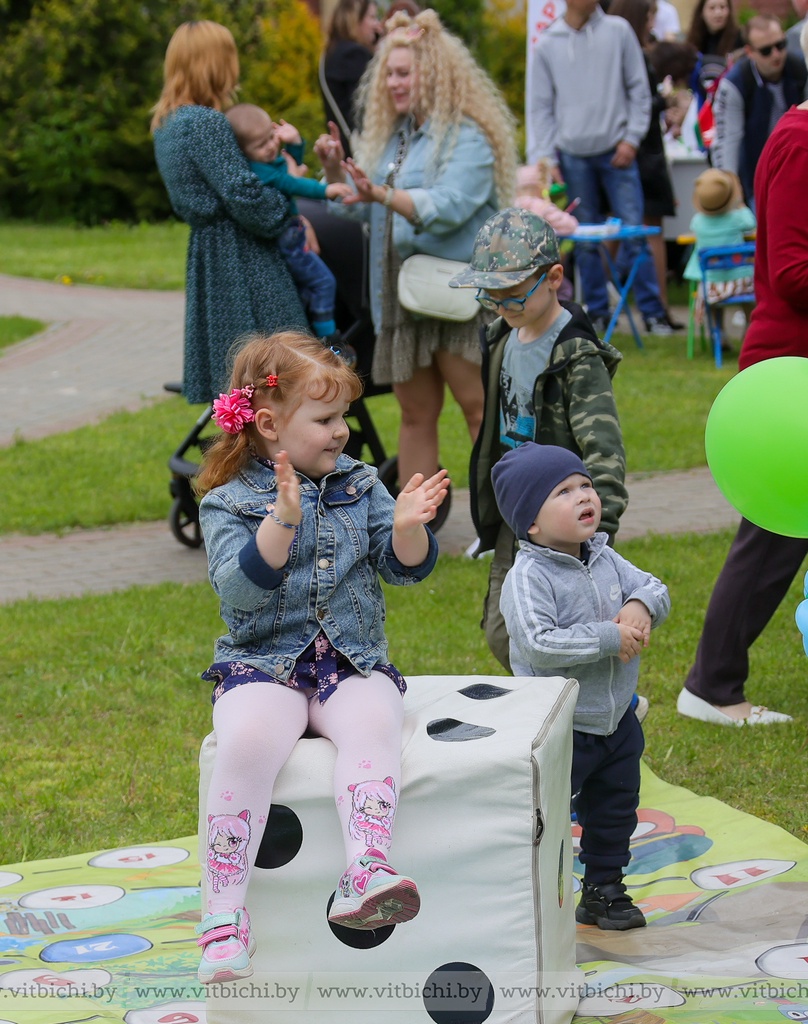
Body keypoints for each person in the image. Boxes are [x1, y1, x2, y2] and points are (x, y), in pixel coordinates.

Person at [193, 331, 448, 984]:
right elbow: (239, 591)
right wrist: (279, 520)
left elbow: (404, 570)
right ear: (272, 425)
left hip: (350, 663)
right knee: (246, 743)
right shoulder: (228, 502)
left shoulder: (361, 485)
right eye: (327, 418)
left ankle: (366, 870)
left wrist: (409, 528)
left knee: (374, 727)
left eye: (342, 418)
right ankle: (224, 916)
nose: (342, 432)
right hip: (263, 663)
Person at [315, 8, 518, 489]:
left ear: (434, 74)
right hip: (401, 294)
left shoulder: (469, 137)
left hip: (456, 291)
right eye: (387, 73)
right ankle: (413, 534)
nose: (392, 83)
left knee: (480, 410)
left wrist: (380, 193)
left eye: (403, 72)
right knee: (414, 414)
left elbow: (447, 206)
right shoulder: (396, 139)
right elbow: (362, 208)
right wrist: (333, 174)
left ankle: (509, 526)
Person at [677, 24, 808, 727]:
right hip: (791, 372)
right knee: (773, 539)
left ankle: (713, 682)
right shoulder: (798, 141)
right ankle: (711, 687)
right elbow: (789, 271)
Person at [491, 442, 669, 930]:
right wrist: (609, 637)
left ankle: (603, 889)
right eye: (563, 492)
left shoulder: (606, 558)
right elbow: (540, 643)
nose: (583, 496)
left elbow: (654, 586)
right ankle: (524, 893)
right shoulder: (528, 577)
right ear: (531, 522)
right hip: (560, 725)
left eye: (585, 485)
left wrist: (640, 604)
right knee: (542, 813)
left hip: (616, 720)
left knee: (615, 809)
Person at [449, 208, 627, 671]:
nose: (502, 308)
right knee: (503, 626)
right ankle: (576, 701)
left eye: (513, 297)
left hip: (563, 515)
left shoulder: (575, 355)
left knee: (547, 627)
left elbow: (603, 448)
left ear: (553, 278)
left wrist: (598, 526)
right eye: (492, 298)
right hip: (521, 511)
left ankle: (587, 708)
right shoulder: (502, 338)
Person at [151, 21, 309, 405]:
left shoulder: (167, 124)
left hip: (209, 255)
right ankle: (283, 464)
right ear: (215, 64)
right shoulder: (205, 122)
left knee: (243, 386)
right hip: (241, 260)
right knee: (283, 370)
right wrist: (284, 203)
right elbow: (245, 196)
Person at [528, 0, 675, 336]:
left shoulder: (618, 31)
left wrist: (631, 139)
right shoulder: (548, 42)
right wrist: (546, 158)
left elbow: (640, 89)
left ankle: (653, 312)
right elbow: (540, 106)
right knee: (584, 239)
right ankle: (596, 312)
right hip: (573, 154)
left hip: (616, 150)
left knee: (635, 233)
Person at [224, 103, 354, 355]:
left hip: (294, 234)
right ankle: (329, 339)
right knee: (323, 282)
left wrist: (294, 143)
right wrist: (327, 190)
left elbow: (287, 164)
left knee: (310, 287)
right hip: (289, 240)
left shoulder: (266, 161)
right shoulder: (260, 171)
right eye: (261, 145)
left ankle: (315, 331)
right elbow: (291, 182)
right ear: (243, 152)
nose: (272, 146)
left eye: (271, 137)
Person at [610, 0, 680, 325]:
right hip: (643, 153)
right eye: (651, 16)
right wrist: (666, 100)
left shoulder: (619, 51)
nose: (654, 23)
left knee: (617, 229)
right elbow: (634, 102)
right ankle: (656, 308)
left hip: (633, 151)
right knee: (648, 229)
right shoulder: (631, 52)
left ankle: (606, 297)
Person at [712, 14, 807, 207]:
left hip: (796, 167)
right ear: (749, 52)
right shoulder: (735, 84)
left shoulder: (799, 69)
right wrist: (730, 193)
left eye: (781, 45)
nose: (776, 55)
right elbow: (727, 141)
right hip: (754, 175)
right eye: (766, 51)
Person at [682, 168, 755, 335]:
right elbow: (751, 223)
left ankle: (719, 333)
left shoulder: (698, 222)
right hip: (741, 284)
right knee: (750, 303)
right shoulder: (736, 218)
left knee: (713, 305)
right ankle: (749, 329)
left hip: (712, 287)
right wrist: (741, 204)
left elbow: (694, 228)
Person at [320, 0, 383, 156]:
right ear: (355, 19)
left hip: (343, 146)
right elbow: (370, 106)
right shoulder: (354, 54)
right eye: (372, 17)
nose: (377, 25)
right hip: (360, 150)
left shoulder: (332, 51)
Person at [685, 0, 744, 106]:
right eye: (712, 8)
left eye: (722, 7)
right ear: (702, 12)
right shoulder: (693, 41)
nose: (718, 13)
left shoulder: (739, 38)